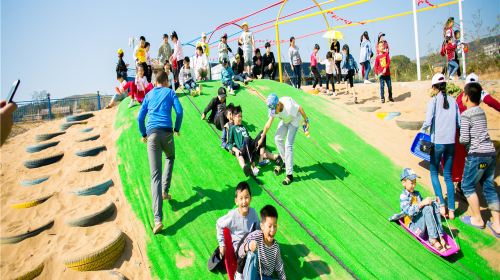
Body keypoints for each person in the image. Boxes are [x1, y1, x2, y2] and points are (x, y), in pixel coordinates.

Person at [137, 71, 183, 234]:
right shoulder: (170, 92)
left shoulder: (149, 95)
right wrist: (177, 128)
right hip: (167, 133)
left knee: (154, 175)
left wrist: (143, 134)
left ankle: (158, 220)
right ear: (165, 81)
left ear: (155, 82)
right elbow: (179, 111)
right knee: (170, 157)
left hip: (152, 135)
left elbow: (139, 118)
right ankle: (165, 191)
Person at [458, 82, 500, 238]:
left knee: (467, 185)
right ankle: (497, 224)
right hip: (490, 154)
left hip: (477, 155)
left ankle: (477, 219)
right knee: (488, 186)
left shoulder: (465, 115)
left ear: (467, 97)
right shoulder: (481, 111)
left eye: (463, 94)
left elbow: (463, 139)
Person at [420, 73, 460, 220]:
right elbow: (459, 123)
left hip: (438, 143)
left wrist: (421, 132)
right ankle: (452, 211)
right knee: (448, 176)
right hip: (451, 143)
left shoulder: (433, 102)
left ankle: (442, 205)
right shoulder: (454, 101)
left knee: (434, 172)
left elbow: (428, 121)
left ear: (434, 87)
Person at [453, 74, 500, 187]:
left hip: (457, 130)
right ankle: (465, 183)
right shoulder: (477, 93)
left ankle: (462, 182)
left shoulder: (461, 96)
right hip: (465, 131)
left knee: (461, 157)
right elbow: (491, 102)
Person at [259, 93, 309, 185]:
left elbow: (300, 108)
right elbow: (268, 125)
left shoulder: (289, 106)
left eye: (274, 109)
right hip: (285, 120)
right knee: (277, 138)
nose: (273, 111)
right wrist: (261, 138)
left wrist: (306, 120)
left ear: (278, 104)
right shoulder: (274, 109)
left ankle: (289, 175)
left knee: (288, 145)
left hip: (294, 120)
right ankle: (285, 161)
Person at [216, 182, 260, 280]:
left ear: (251, 198)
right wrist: (222, 244)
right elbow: (219, 224)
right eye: (241, 198)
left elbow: (257, 228)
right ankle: (238, 273)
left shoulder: (253, 213)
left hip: (251, 244)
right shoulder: (232, 216)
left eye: (247, 197)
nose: (244, 201)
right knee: (248, 240)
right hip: (239, 250)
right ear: (236, 201)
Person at [399, 168, 450, 252]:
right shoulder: (403, 196)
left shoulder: (417, 193)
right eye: (412, 183)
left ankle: (440, 236)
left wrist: (434, 201)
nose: (414, 185)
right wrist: (422, 203)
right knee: (427, 207)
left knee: (433, 205)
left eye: (415, 182)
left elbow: (424, 206)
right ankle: (433, 239)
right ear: (404, 183)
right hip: (413, 226)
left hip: (421, 224)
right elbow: (409, 211)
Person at [227, 106, 282, 177]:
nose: (240, 118)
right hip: (242, 149)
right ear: (234, 117)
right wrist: (235, 150)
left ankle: (261, 160)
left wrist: (257, 143)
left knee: (262, 133)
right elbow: (229, 144)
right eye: (238, 116)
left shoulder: (243, 127)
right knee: (246, 139)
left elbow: (249, 138)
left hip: (250, 146)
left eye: (241, 116)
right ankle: (253, 166)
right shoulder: (232, 128)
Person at [238, 205, 286, 280]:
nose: (273, 230)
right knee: (252, 254)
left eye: (275, 226)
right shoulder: (255, 237)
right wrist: (248, 246)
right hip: (253, 274)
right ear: (262, 226)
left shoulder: (275, 247)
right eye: (269, 226)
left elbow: (279, 266)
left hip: (267, 277)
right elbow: (240, 252)